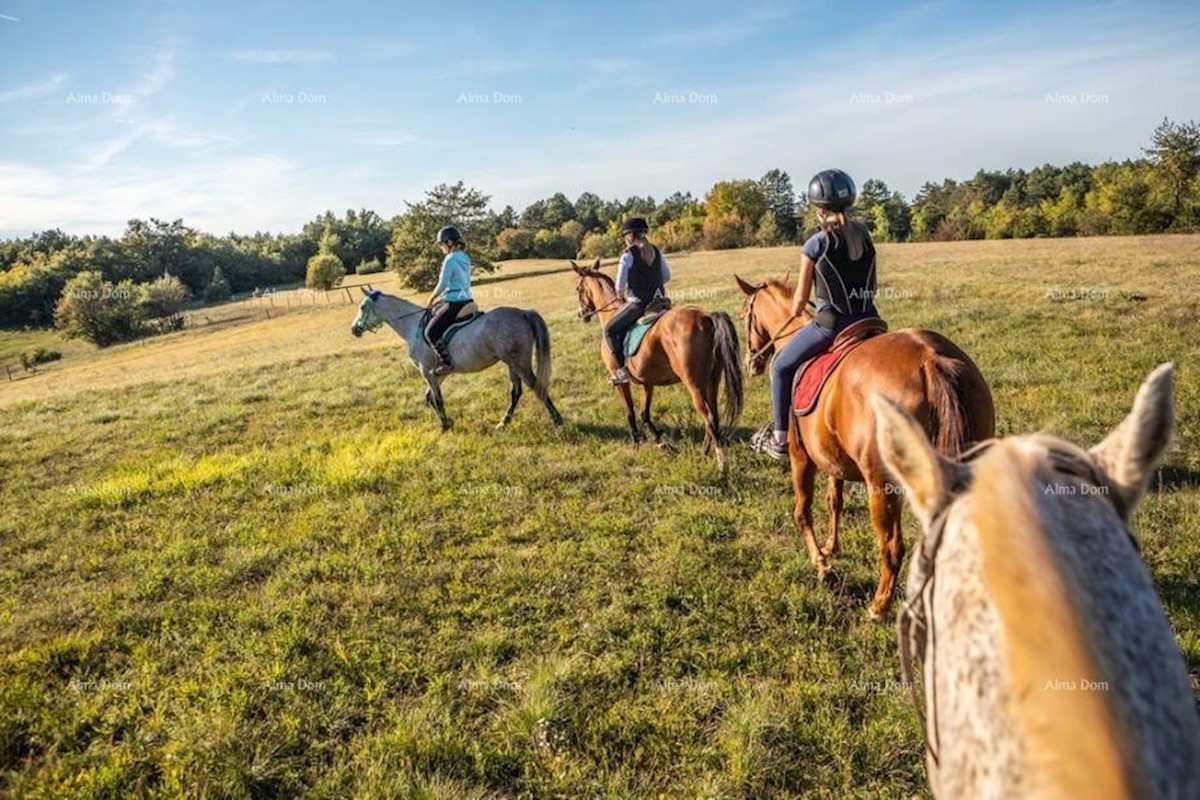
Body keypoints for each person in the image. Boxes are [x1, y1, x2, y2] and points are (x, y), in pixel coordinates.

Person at [753, 169, 880, 460]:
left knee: (781, 366)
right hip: (870, 318)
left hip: (831, 325)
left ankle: (781, 440)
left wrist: (799, 309)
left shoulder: (816, 243)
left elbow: (798, 302)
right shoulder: (864, 235)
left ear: (819, 210)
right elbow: (871, 285)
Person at [604, 216, 672, 384]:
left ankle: (622, 372)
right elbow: (666, 276)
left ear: (630, 236)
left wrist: (621, 294)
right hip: (660, 301)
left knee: (609, 330)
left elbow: (619, 286)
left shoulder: (628, 255)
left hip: (639, 304)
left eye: (625, 236)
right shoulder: (656, 251)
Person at [426, 225, 474, 376]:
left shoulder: (450, 259)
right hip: (467, 299)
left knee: (430, 332)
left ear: (449, 243)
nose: (440, 247)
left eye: (441, 244)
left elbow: (443, 283)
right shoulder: (465, 258)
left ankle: (445, 363)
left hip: (455, 303)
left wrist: (432, 297)